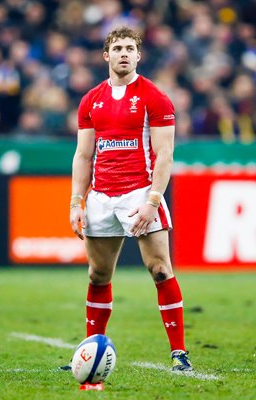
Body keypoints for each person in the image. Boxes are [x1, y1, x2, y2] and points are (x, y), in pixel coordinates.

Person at [64, 26, 193, 388]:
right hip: (102, 197)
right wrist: (78, 201)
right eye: (117, 48)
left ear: (138, 56)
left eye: (130, 48)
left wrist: (153, 201)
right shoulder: (91, 100)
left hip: (140, 192)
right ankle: (91, 349)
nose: (123, 53)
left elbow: (165, 154)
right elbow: (83, 154)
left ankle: (179, 353)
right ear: (106, 56)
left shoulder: (154, 97)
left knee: (160, 270)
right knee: (97, 276)